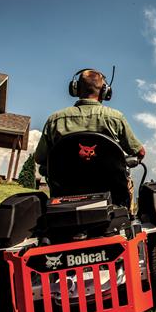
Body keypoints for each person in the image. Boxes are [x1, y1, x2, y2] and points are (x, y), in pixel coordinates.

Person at [34, 68, 145, 214]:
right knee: (128, 180)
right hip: (111, 193)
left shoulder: (55, 120)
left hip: (65, 194)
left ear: (75, 89)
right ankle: (128, 214)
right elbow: (140, 152)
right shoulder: (116, 118)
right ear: (105, 92)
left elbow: (39, 158)